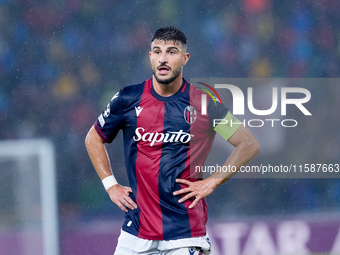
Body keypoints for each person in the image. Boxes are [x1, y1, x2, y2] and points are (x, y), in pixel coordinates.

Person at [85, 26, 260, 255]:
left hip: (184, 233)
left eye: (171, 52)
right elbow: (93, 138)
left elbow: (248, 144)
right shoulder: (127, 98)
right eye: (157, 52)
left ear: (185, 58)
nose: (163, 59)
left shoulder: (204, 104)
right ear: (150, 57)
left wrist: (213, 181)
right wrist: (111, 185)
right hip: (135, 234)